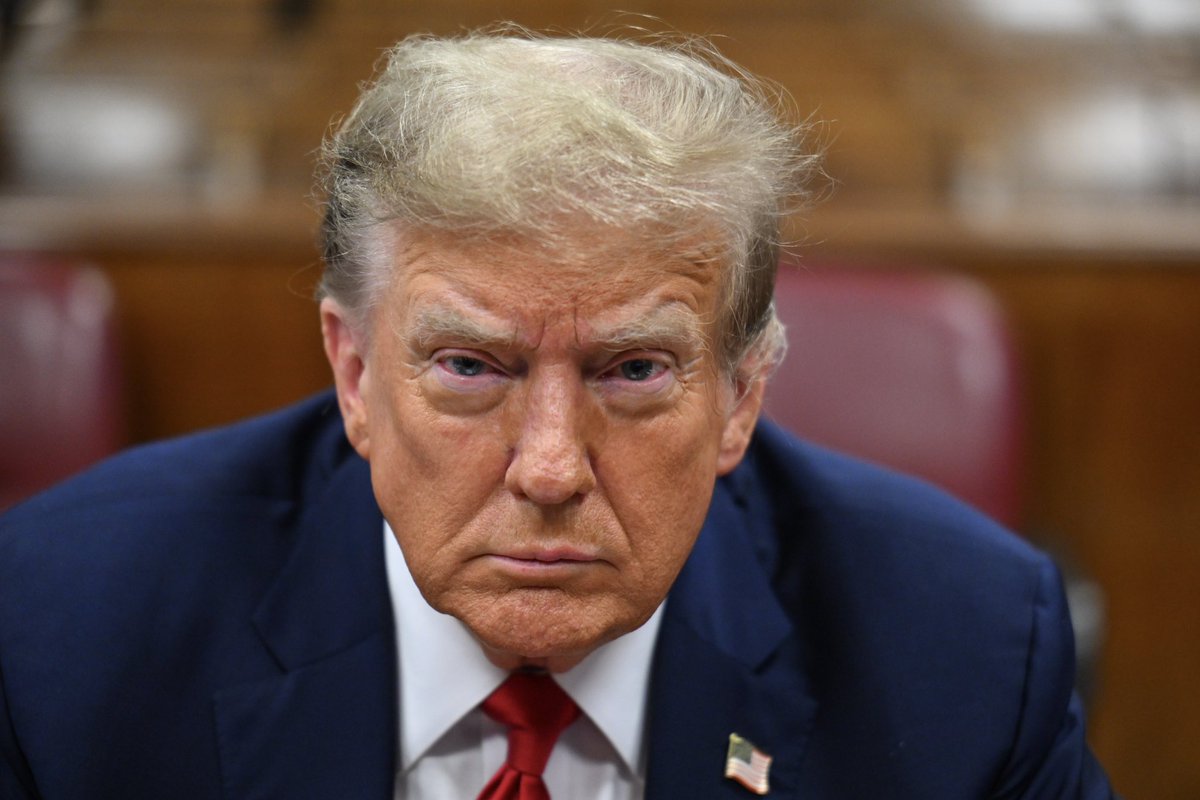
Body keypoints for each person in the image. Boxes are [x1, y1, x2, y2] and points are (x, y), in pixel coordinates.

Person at [0, 27, 1116, 800]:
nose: (548, 468)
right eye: (469, 366)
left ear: (741, 395)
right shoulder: (66, 628)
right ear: (355, 375)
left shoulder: (964, 654)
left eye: (632, 370)